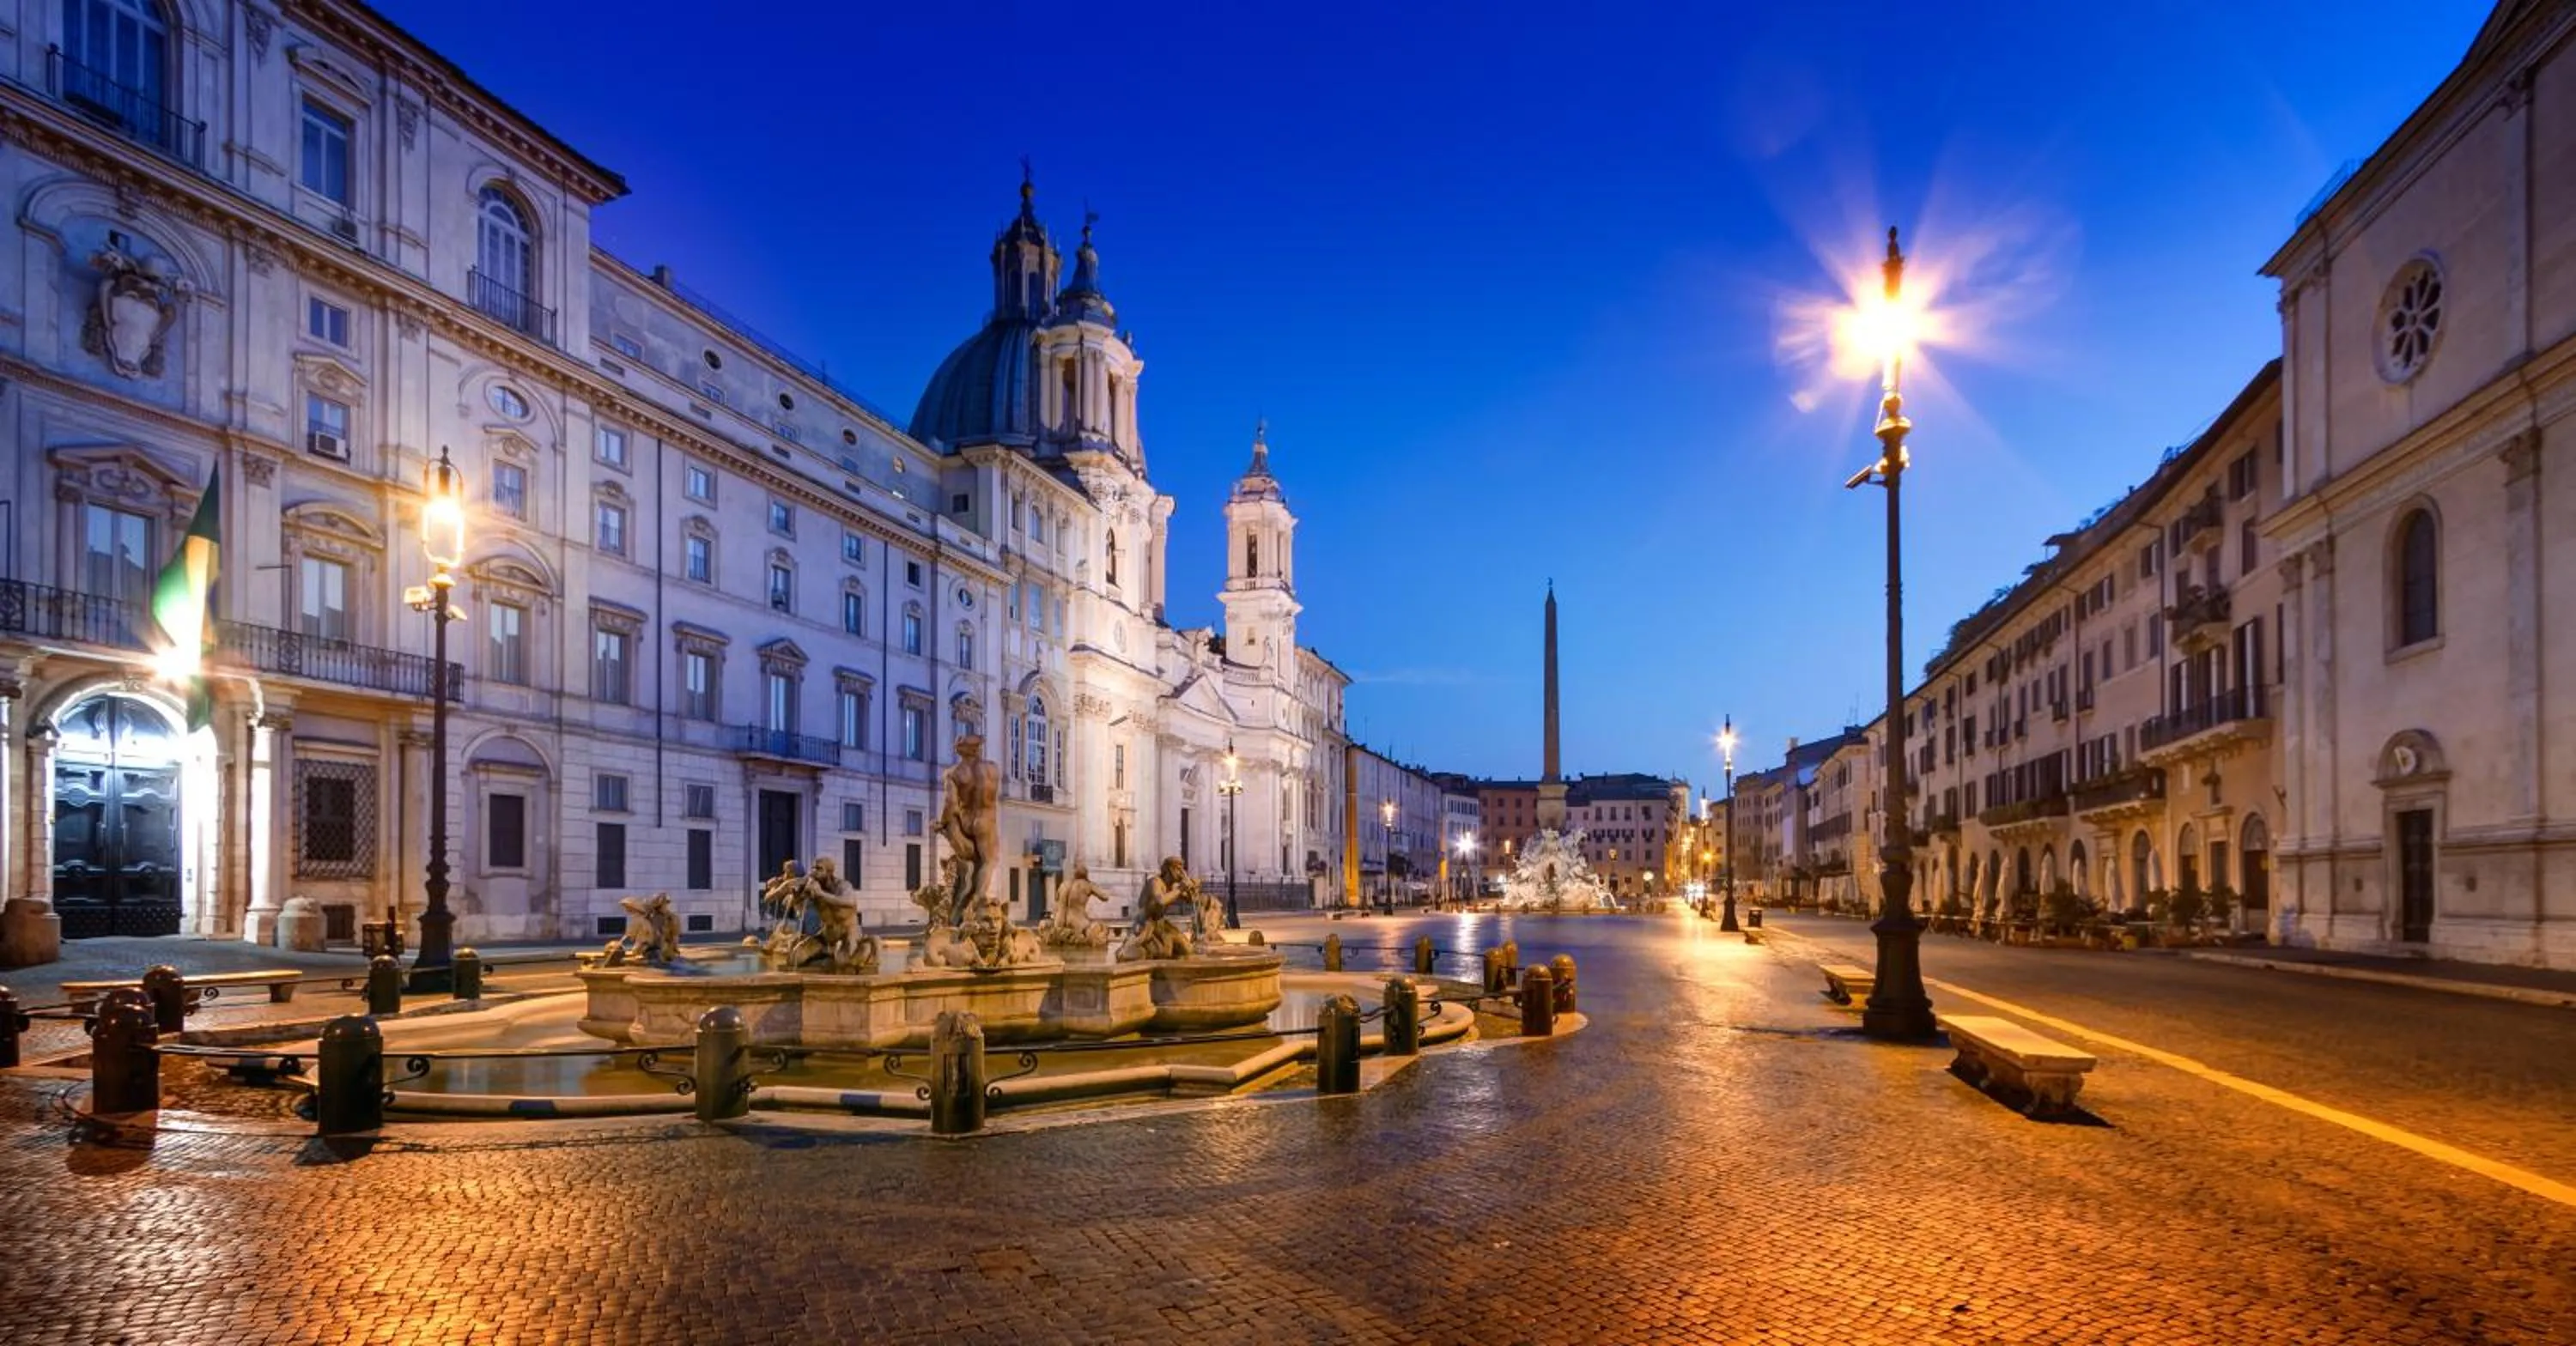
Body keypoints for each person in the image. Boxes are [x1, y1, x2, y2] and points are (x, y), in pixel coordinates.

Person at [934, 733, 1003, 928]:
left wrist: (942, 823)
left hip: (966, 821)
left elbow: (950, 804)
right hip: (986, 820)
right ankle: (979, 899)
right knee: (989, 861)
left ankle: (959, 911)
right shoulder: (992, 769)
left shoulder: (953, 773)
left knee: (973, 864)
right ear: (977, 749)